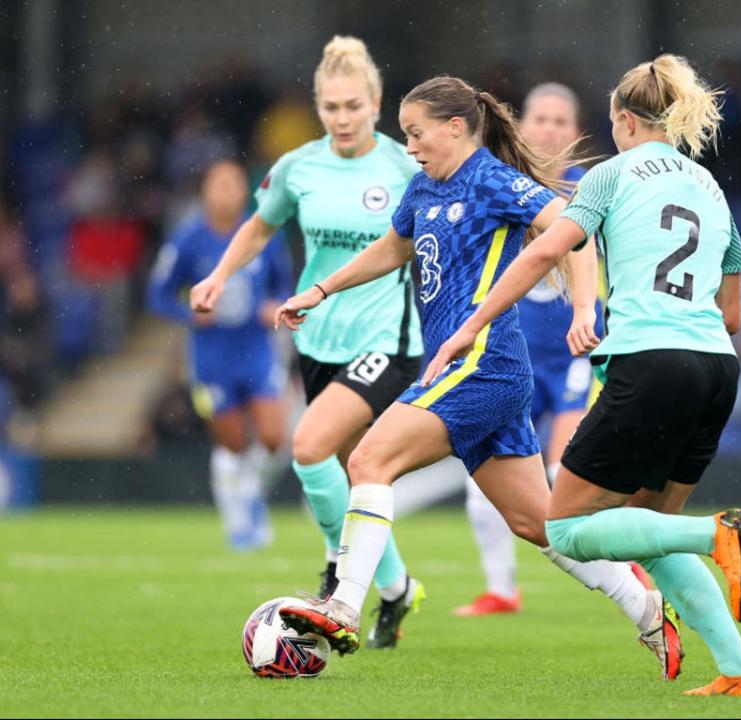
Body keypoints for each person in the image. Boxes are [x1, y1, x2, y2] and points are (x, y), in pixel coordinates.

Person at [275, 75, 683, 681]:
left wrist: (582, 308)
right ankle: (647, 607)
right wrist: (320, 288)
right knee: (541, 525)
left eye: (417, 134)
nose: (410, 146)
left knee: (367, 461)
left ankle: (343, 604)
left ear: (457, 128)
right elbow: (392, 249)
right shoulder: (422, 188)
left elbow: (574, 229)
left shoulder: (492, 179)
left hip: (483, 363)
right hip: (468, 369)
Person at [423, 55, 741, 697]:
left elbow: (546, 250)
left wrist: (472, 324)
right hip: (717, 370)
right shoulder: (711, 187)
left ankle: (716, 534)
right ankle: (739, 670)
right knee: (649, 533)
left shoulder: (608, 176)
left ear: (623, 120)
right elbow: (731, 313)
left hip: (651, 362)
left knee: (566, 528)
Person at [189, 36, 425, 649]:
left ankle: (337, 576)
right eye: (330, 107)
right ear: (318, 107)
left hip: (389, 339)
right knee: (349, 473)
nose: (342, 118)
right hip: (318, 338)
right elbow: (259, 226)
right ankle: (397, 589)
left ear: (376, 102)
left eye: (353, 105)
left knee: (308, 446)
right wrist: (218, 277)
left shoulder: (404, 166)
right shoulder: (298, 167)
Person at [454, 82, 632, 617]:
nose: (550, 128)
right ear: (521, 124)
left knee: (563, 476)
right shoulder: (501, 185)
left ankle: (631, 560)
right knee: (483, 478)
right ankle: (501, 589)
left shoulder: (594, 190)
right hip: (511, 357)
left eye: (561, 120)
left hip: (575, 354)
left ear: (576, 133)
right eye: (540, 118)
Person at [148, 159, 292, 551]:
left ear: (243, 191)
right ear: (205, 192)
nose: (226, 193)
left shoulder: (262, 233)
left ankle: (250, 494)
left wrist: (275, 306)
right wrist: (190, 314)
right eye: (218, 185)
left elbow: (285, 284)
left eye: (233, 185)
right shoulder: (188, 239)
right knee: (230, 443)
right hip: (212, 358)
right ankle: (238, 524)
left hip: (257, 350)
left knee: (274, 437)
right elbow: (157, 295)